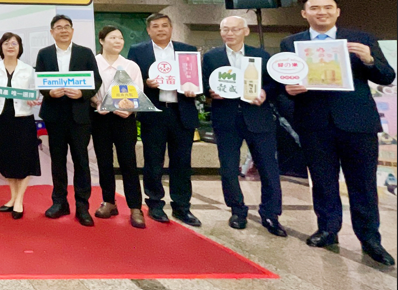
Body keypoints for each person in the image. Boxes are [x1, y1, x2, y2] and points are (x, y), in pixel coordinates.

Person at [281, 0, 395, 266]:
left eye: (327, 7)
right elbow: (284, 82)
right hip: (314, 123)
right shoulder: (291, 43)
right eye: (315, 8)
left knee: (363, 183)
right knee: (322, 181)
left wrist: (369, 60)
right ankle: (328, 229)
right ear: (305, 13)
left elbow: (387, 76)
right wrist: (289, 89)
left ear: (337, 11)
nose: (322, 12)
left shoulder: (361, 39)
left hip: (357, 122)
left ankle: (370, 238)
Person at [202, 16, 286, 237]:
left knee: (268, 167)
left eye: (235, 29)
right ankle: (237, 210)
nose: (229, 33)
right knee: (228, 168)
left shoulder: (261, 56)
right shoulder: (211, 57)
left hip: (258, 117)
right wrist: (210, 92)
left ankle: (271, 213)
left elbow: (275, 84)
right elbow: (204, 83)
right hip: (226, 118)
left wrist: (265, 92)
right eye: (225, 30)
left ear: (245, 31)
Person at [127, 13, 201, 227]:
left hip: (181, 112)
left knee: (182, 162)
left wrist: (194, 89)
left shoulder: (187, 50)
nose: (160, 29)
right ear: (148, 30)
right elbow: (131, 80)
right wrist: (145, 82)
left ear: (171, 28)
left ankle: (182, 206)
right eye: (156, 26)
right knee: (153, 161)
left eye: (164, 25)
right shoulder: (138, 51)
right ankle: (155, 204)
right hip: (154, 113)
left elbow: (199, 80)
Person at [34, 15, 101, 226]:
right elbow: (40, 81)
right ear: (52, 32)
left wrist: (82, 93)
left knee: (81, 161)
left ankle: (82, 206)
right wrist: (49, 92)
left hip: (79, 115)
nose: (63, 30)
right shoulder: (44, 54)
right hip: (54, 116)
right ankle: (59, 202)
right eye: (58, 27)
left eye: (66, 27)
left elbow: (96, 80)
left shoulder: (85, 53)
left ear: (72, 30)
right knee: (58, 161)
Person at [90, 26, 146, 229]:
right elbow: (88, 90)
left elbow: (138, 93)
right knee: (104, 161)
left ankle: (135, 207)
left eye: (120, 38)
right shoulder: (93, 63)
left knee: (128, 162)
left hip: (124, 119)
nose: (117, 41)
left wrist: (130, 109)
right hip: (100, 118)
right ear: (101, 41)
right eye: (112, 37)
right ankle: (109, 202)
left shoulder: (130, 66)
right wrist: (97, 103)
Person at [0, 32, 41, 220]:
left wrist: (33, 99)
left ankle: (19, 200)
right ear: (1, 47)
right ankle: (13, 197)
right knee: (7, 160)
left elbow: (35, 92)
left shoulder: (28, 70)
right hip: (2, 118)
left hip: (23, 119)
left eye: (14, 43)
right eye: (6, 43)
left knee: (24, 159)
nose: (10, 46)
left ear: (19, 48)